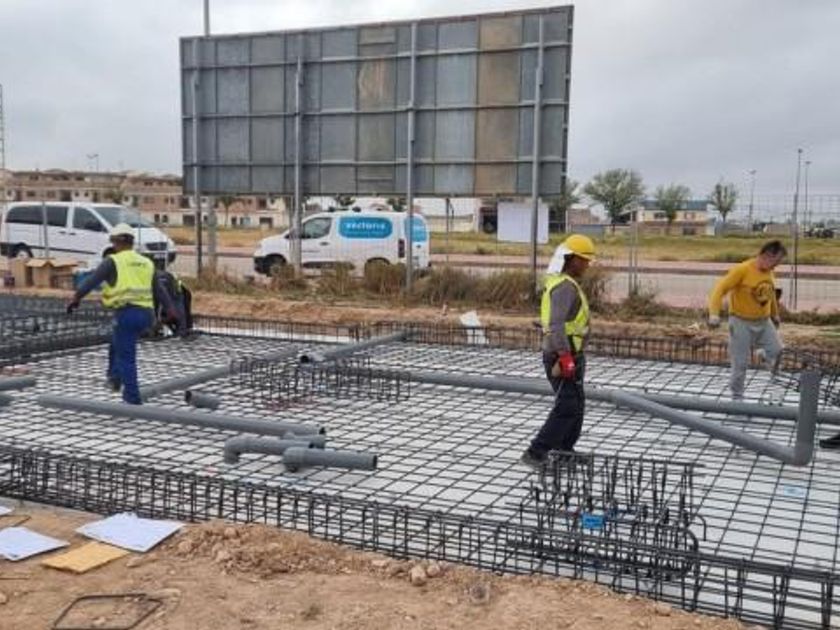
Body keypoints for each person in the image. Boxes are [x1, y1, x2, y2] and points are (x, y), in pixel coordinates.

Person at [521, 234, 595, 470]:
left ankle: (564, 450)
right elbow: (556, 323)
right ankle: (535, 452)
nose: (587, 264)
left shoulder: (565, 283)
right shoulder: (564, 287)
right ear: (572, 259)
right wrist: (564, 356)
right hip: (562, 355)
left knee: (576, 405)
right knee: (566, 406)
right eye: (584, 260)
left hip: (572, 353)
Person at [66, 224, 157, 404]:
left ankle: (132, 398)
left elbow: (91, 281)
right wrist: (171, 310)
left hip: (127, 314)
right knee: (116, 342)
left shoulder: (113, 261)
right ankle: (114, 378)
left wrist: (75, 299)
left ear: (115, 242)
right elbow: (159, 289)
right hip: (147, 314)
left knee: (126, 358)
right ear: (132, 242)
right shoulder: (146, 262)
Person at [708, 240, 786, 400]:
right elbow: (719, 289)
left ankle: (776, 389)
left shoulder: (768, 272)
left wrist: (775, 314)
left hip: (764, 322)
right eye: (776, 262)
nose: (775, 267)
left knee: (777, 352)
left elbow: (769, 294)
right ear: (766, 256)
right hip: (741, 322)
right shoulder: (742, 270)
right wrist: (714, 314)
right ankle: (737, 396)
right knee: (740, 363)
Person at [150, 259, 193, 339]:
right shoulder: (158, 277)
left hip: (175, 296)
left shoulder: (158, 279)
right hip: (174, 296)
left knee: (180, 328)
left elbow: (161, 294)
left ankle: (181, 332)